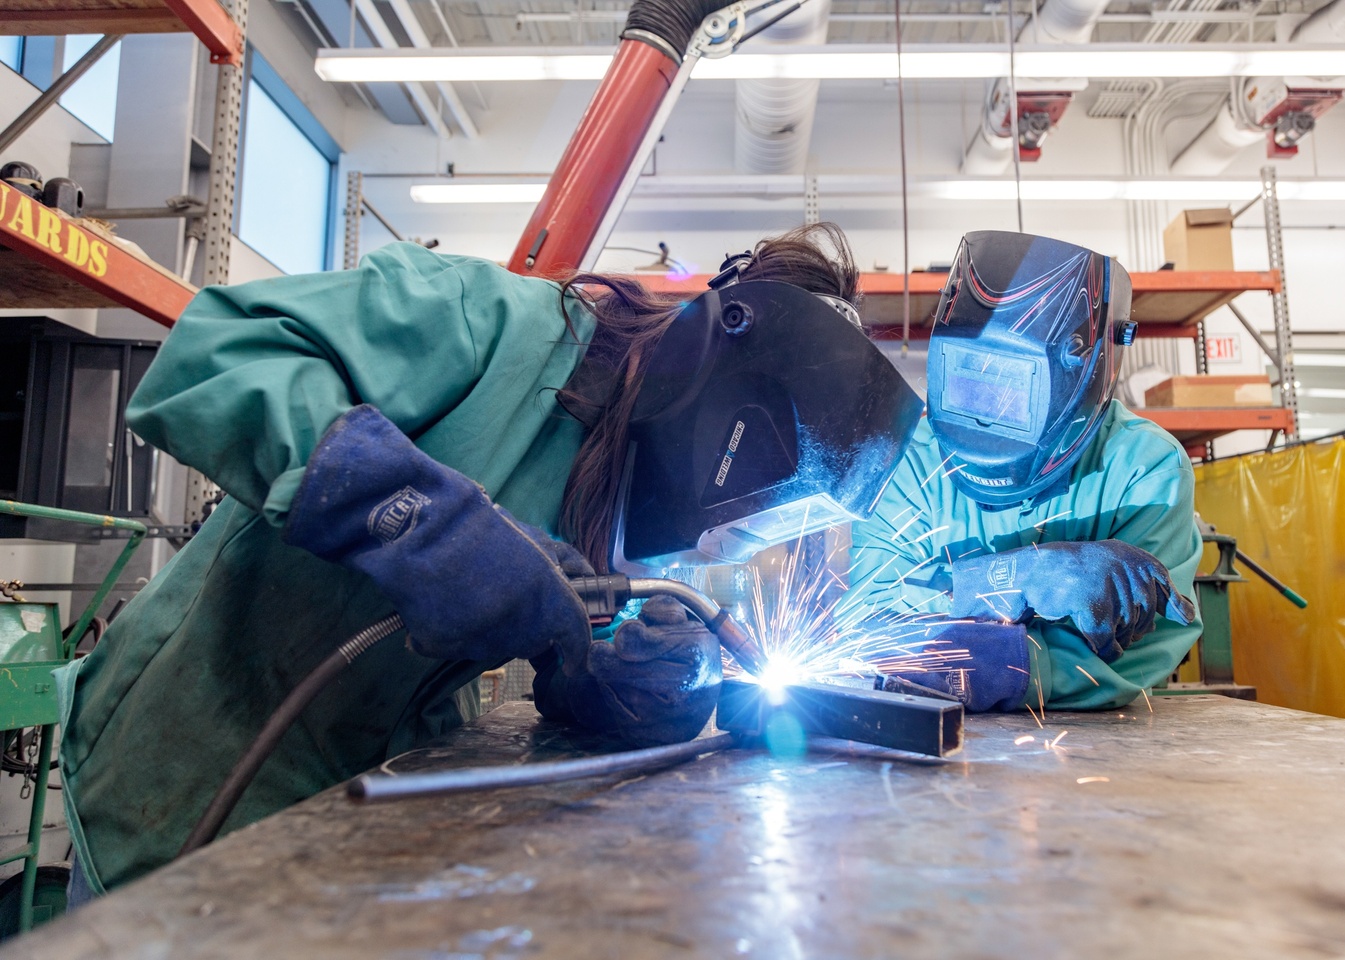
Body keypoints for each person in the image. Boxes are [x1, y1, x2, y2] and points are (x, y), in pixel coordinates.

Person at [57, 223, 923, 896]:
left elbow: (539, 625)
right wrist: (415, 519)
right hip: (182, 784)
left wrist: (601, 674)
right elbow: (212, 356)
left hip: (358, 814)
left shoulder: (636, 492)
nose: (713, 539)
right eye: (747, 505)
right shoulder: (486, 320)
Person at [839, 231, 1202, 713]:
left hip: (1095, 755)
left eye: (1011, 391)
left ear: (1087, 369)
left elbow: (1138, 655)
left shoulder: (1144, 468)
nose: (986, 418)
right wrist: (1006, 578)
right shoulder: (913, 459)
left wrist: (981, 659)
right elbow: (868, 620)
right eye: (967, 379)